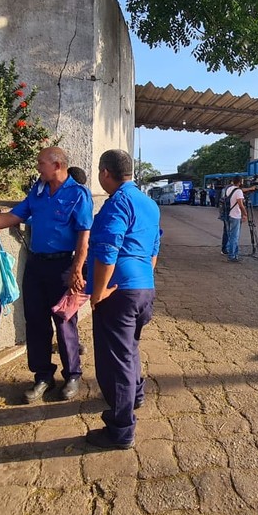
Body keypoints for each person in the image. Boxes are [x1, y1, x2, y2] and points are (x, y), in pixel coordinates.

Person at [0, 147, 92, 404]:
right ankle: (43, 376)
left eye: (41, 163)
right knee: (35, 321)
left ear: (57, 165)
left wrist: (77, 268)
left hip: (64, 265)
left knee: (65, 323)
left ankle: (72, 374)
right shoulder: (38, 191)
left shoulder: (78, 194)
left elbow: (84, 234)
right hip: (36, 265)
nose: (37, 167)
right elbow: (12, 216)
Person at [84, 149, 161, 450]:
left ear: (105, 173)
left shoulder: (117, 203)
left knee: (115, 363)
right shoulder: (149, 203)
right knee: (129, 352)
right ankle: (135, 397)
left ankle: (120, 430)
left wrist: (99, 291)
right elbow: (154, 247)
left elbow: (107, 249)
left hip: (118, 293)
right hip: (143, 288)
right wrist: (142, 279)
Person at [223, 176, 246, 263]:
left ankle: (233, 253)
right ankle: (232, 255)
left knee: (230, 235)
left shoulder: (229, 189)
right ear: (240, 182)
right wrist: (245, 213)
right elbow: (240, 204)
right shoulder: (239, 191)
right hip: (235, 215)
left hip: (228, 214)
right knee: (234, 236)